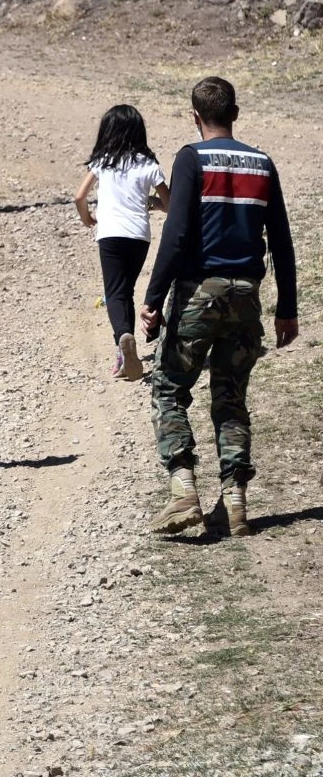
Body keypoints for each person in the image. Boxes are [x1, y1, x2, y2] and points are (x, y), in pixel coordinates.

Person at [140, 77, 298, 537]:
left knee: (169, 388)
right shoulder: (262, 163)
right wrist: (286, 307)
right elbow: (282, 242)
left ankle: (182, 490)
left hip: (199, 293)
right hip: (247, 297)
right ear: (236, 113)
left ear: (194, 116)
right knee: (231, 399)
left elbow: (177, 235)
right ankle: (236, 504)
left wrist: (153, 299)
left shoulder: (191, 158)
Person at [73, 104, 169, 381]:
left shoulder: (103, 161)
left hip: (110, 233)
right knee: (125, 290)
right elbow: (170, 203)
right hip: (138, 236)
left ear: (108, 131)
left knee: (114, 292)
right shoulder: (148, 164)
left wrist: (87, 218)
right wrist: (151, 203)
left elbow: (80, 196)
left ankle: (123, 338)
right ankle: (126, 354)